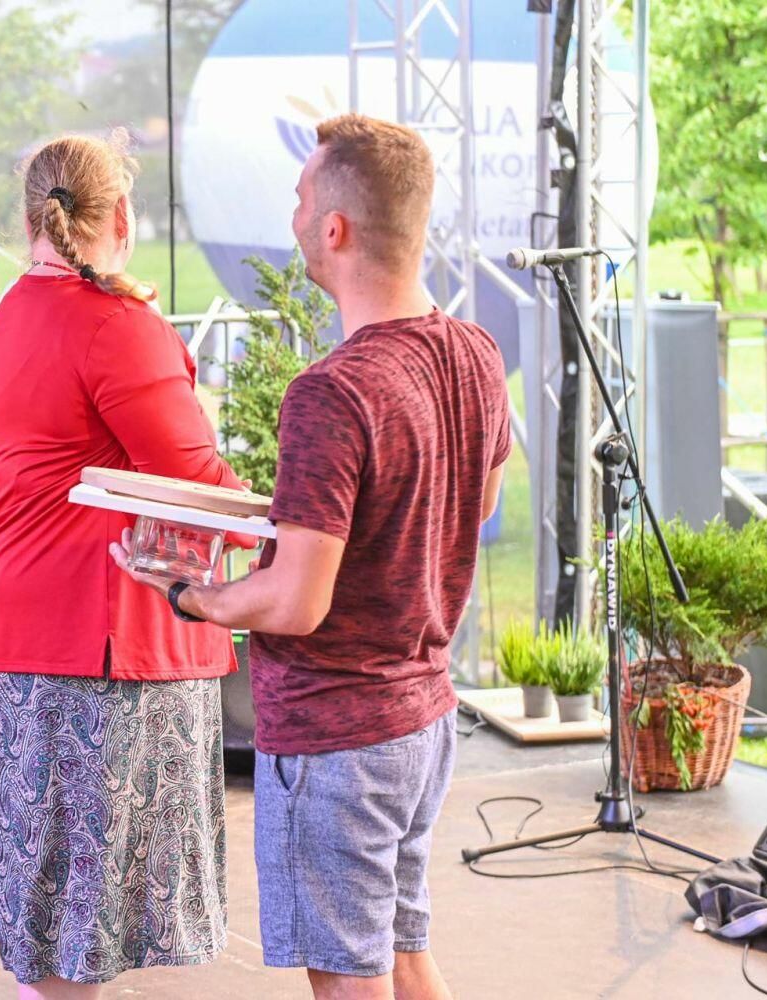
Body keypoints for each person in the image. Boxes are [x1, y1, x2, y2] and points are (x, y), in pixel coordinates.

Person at [113, 113, 511, 1000]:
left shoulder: (331, 391)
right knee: (401, 952)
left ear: (333, 228)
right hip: (420, 718)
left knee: (348, 978)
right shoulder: (474, 353)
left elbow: (295, 605)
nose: (292, 217)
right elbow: (474, 503)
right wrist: (307, 525)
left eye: (300, 200)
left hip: (340, 737)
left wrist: (190, 594)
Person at [0, 130, 246, 998]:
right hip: (86, 643)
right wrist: (296, 526)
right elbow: (196, 480)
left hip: (3, 624)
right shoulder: (118, 326)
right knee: (76, 928)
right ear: (120, 217)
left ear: (32, 220)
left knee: (46, 922)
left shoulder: (12, 313)